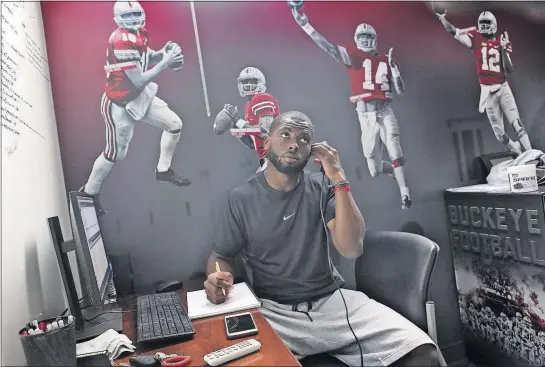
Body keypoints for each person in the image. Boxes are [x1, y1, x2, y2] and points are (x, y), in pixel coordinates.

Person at [204, 111, 440, 366]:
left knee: (424, 354)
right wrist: (218, 279)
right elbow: (221, 256)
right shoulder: (240, 198)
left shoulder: (322, 187)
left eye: (304, 139)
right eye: (285, 134)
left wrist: (338, 177)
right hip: (275, 312)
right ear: (267, 143)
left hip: (334, 304)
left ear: (312, 152)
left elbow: (351, 249)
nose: (294, 143)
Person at [287, 0, 412, 210]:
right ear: (356, 39)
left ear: (375, 39)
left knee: (394, 148)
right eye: (362, 37)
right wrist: (305, 25)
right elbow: (326, 46)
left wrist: (395, 71)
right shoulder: (352, 56)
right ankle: (392, 173)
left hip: (384, 110)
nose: (366, 40)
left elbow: (400, 90)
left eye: (369, 37)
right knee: (374, 168)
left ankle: (405, 193)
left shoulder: (386, 60)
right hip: (365, 116)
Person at [80, 0, 191, 216]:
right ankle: (89, 193)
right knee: (115, 154)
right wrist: (167, 62)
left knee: (174, 124)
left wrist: (162, 53)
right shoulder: (119, 40)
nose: (133, 20)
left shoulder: (139, 33)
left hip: (137, 96)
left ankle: (163, 171)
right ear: (117, 19)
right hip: (118, 103)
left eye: (136, 14)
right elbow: (139, 79)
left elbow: (146, 57)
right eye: (128, 16)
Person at [435, 9, 531, 155]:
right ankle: (516, 148)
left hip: (503, 87)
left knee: (516, 123)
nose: (484, 26)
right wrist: (442, 19)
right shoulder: (475, 38)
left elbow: (509, 70)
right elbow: (453, 31)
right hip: (488, 91)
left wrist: (504, 50)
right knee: (500, 135)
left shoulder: (501, 41)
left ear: (494, 24)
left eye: (487, 23)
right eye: (482, 23)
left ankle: (532, 153)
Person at [214, 66, 280, 173]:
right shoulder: (249, 105)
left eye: (252, 81)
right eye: (245, 81)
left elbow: (266, 134)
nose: (248, 85)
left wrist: (239, 121)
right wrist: (236, 128)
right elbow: (253, 144)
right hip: (268, 160)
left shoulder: (262, 97)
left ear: (260, 83)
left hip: (275, 159)